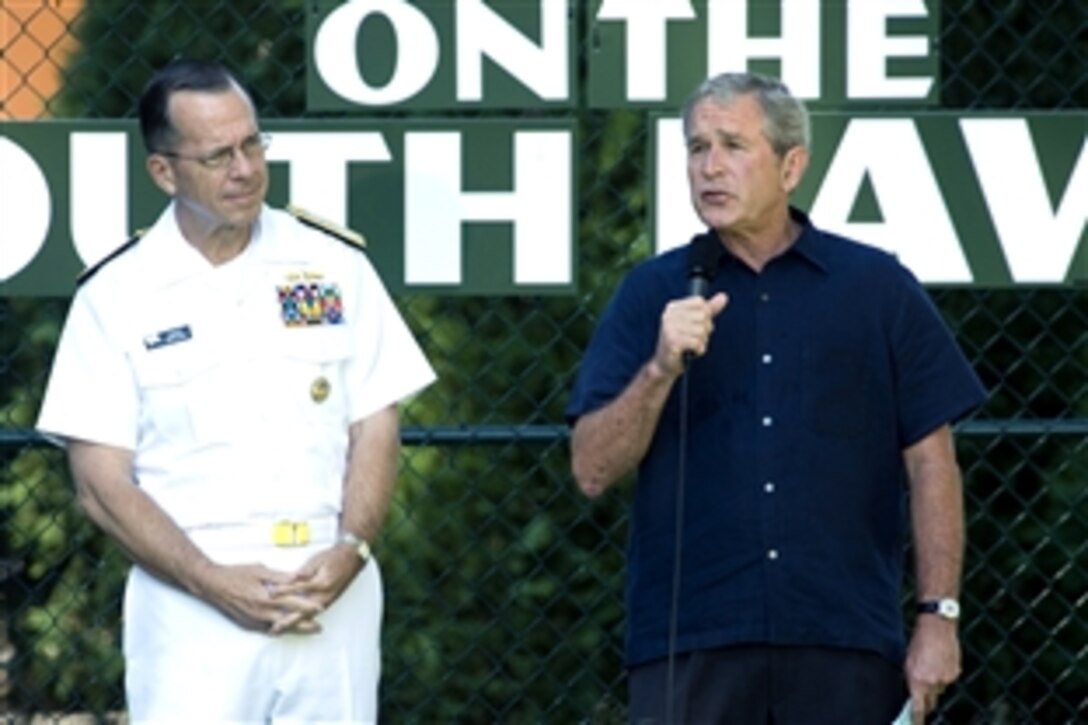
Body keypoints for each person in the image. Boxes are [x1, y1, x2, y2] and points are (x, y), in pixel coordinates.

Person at [566, 72, 987, 724]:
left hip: (841, 637)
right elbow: (591, 468)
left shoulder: (875, 288)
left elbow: (932, 461)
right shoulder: (652, 292)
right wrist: (658, 368)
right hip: (691, 643)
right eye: (697, 146)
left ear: (792, 166)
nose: (710, 166)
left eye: (734, 145)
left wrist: (939, 615)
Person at [36, 58, 435, 722]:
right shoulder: (117, 293)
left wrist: (351, 549)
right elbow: (99, 481)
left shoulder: (334, 265)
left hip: (329, 589)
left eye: (253, 143)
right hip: (190, 603)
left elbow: (376, 421)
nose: (245, 168)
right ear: (164, 171)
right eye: (218, 155)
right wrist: (210, 580)